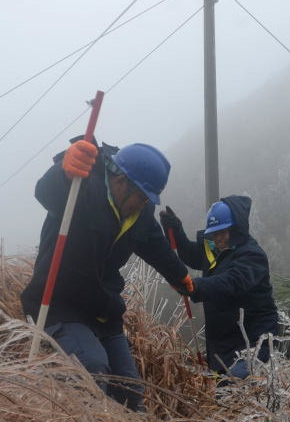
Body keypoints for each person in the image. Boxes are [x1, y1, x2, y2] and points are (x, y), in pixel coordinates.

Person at [20, 135, 193, 411]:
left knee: (129, 392)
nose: (142, 204)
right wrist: (64, 170)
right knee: (91, 366)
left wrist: (180, 276)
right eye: (140, 196)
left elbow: (155, 246)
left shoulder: (140, 213)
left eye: (148, 199)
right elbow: (48, 192)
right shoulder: (81, 187)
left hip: (103, 307)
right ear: (121, 180)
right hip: (59, 301)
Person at [159, 195, 278, 379]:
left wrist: (196, 287)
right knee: (219, 392)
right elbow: (190, 255)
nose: (218, 239)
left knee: (232, 389)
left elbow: (231, 282)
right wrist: (175, 229)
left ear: (236, 228)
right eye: (214, 234)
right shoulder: (215, 249)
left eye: (223, 232)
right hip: (223, 344)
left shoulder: (252, 256)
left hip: (253, 341)